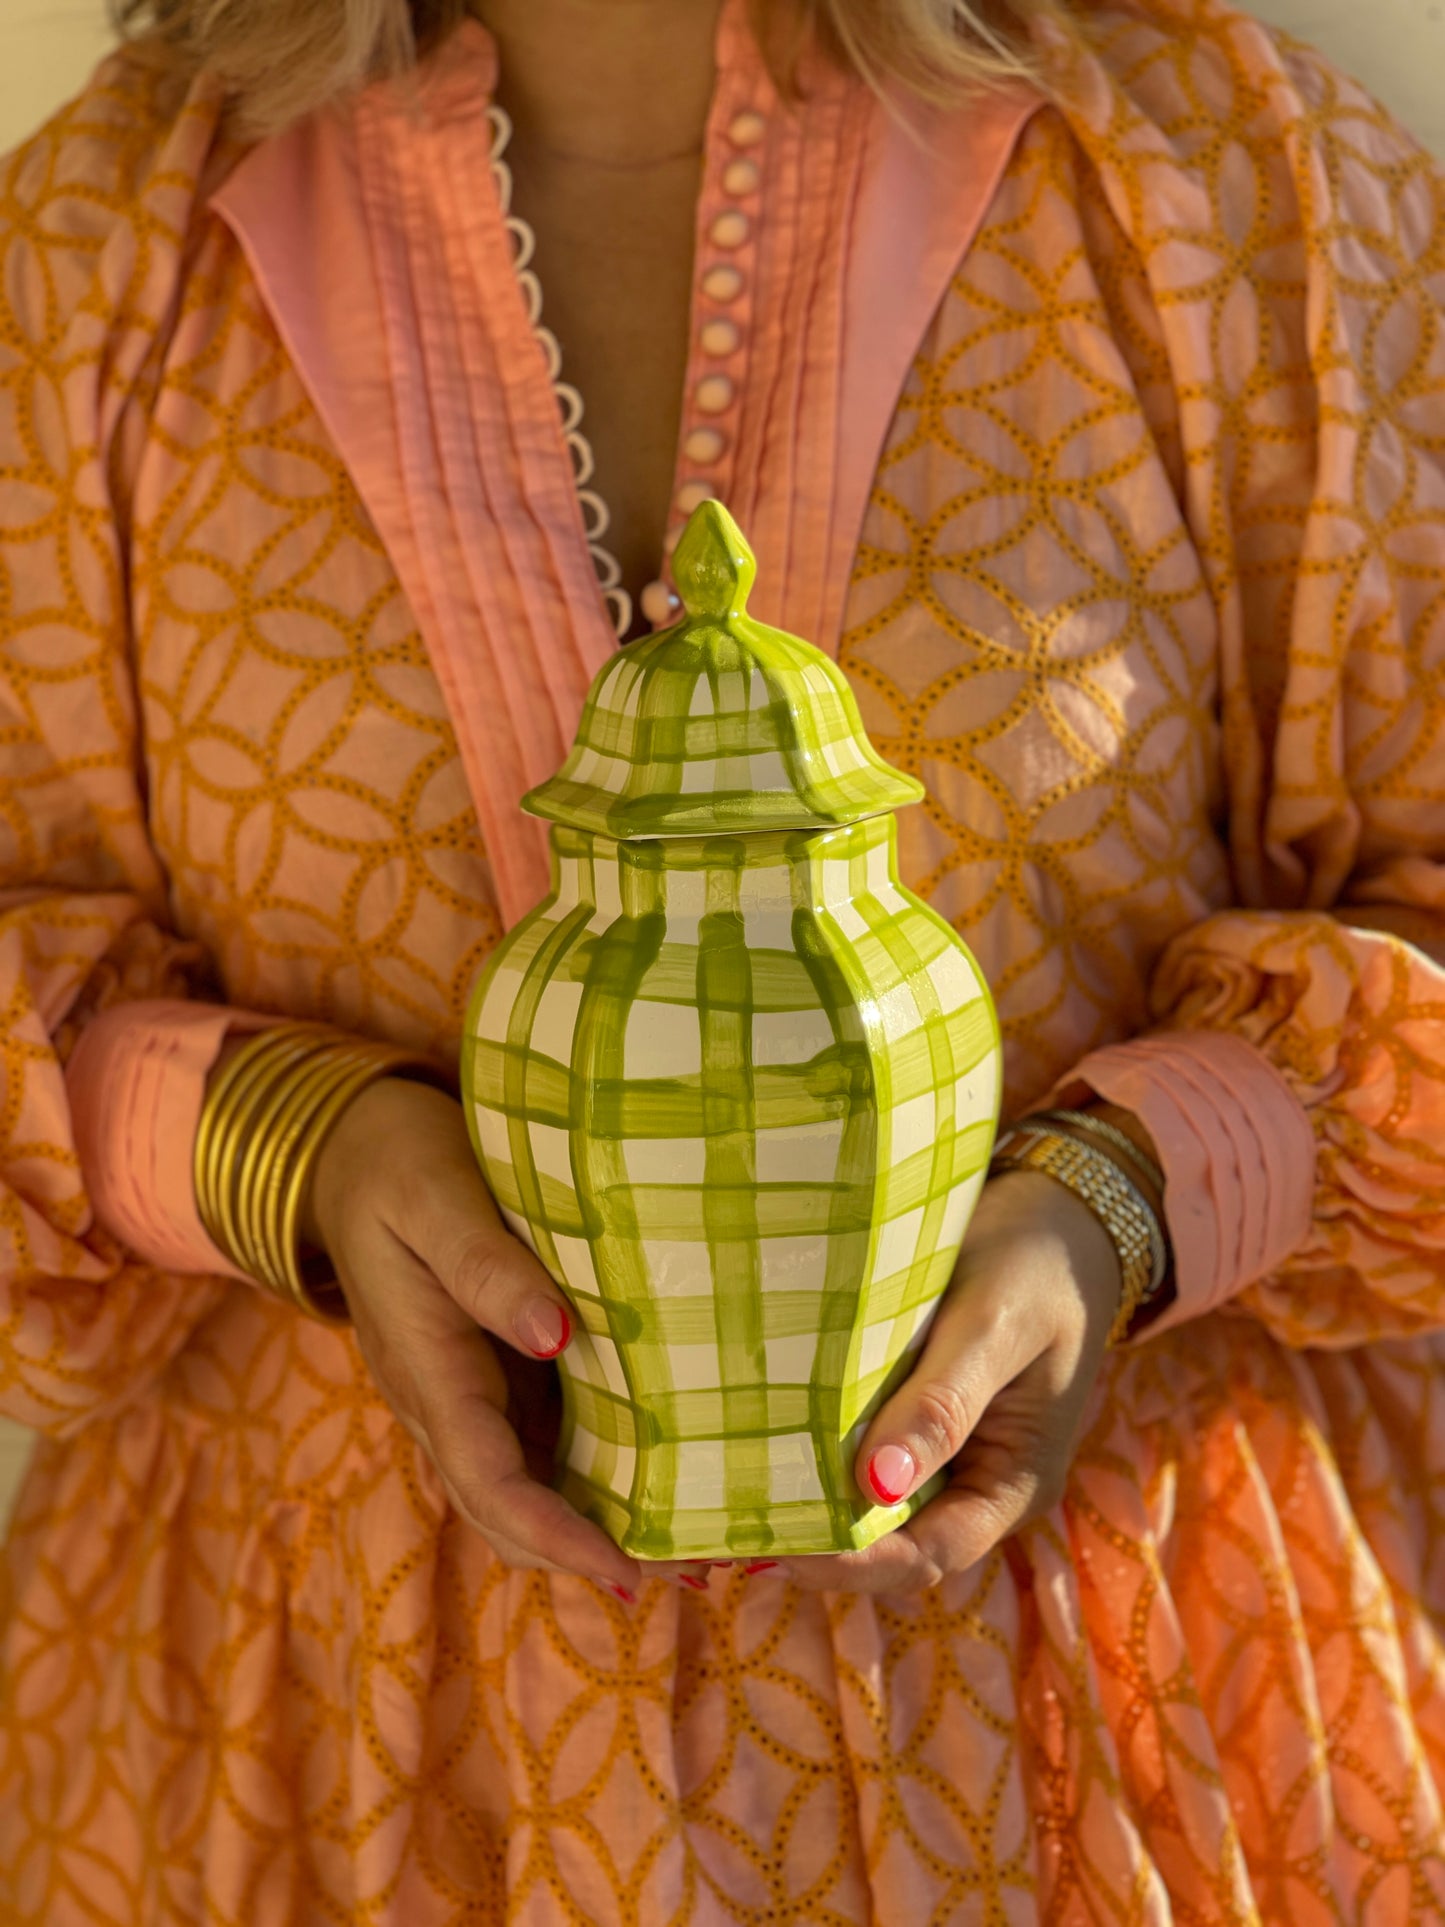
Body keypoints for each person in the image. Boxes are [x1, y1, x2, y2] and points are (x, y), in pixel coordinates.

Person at [1, 0, 1443, 1915]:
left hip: (1126, 1746)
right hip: (297, 1773)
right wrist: (276, 1147)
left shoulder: (1232, 184)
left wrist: (1135, 1196)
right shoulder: (98, 247)